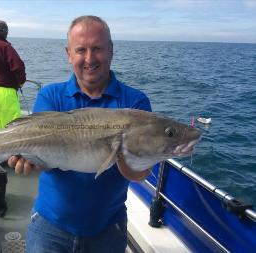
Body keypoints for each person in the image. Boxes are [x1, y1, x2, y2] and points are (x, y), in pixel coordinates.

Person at [8, 16, 152, 253]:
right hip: (49, 227)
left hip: (108, 230)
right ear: (68, 54)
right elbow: (43, 151)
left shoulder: (135, 103)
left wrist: (124, 151)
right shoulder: (50, 96)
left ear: (111, 50)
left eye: (97, 48)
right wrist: (28, 160)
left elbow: (139, 173)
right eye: (81, 50)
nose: (89, 58)